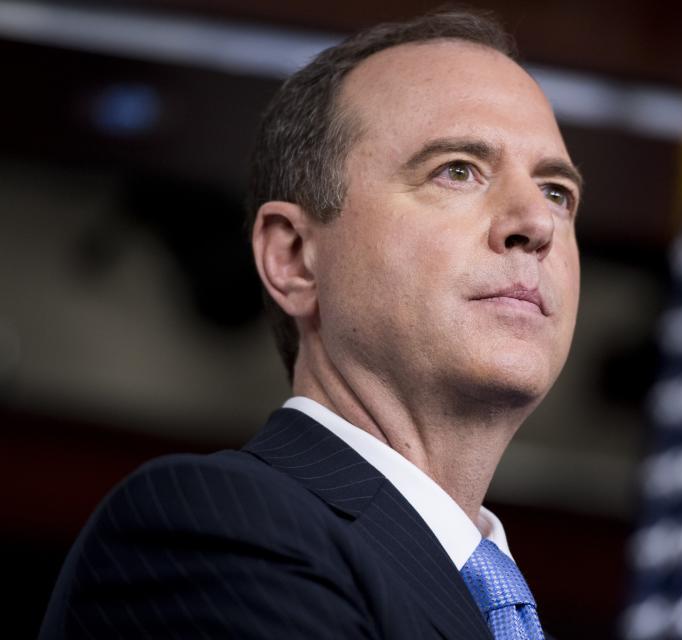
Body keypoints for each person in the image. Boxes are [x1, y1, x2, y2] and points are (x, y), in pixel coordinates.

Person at [40, 8, 582, 639]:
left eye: (556, 192)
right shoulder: (222, 527)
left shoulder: (487, 596)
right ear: (294, 256)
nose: (537, 224)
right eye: (456, 169)